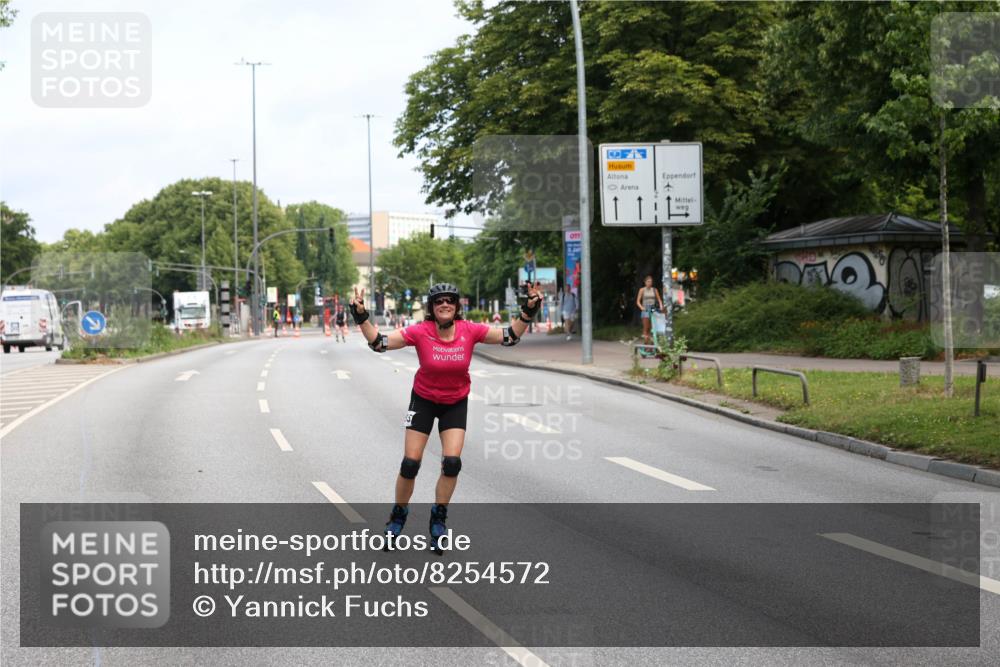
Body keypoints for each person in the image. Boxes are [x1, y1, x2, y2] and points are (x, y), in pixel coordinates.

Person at [349, 282, 541, 552]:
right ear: (432, 307)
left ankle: (438, 518)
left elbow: (509, 336)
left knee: (452, 463)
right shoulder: (420, 331)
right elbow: (379, 343)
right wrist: (361, 317)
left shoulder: (470, 330)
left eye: (449, 300)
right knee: (410, 463)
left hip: (454, 403)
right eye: (439, 301)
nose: (444, 305)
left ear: (456, 306)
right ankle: (398, 516)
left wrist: (528, 312)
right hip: (424, 400)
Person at [635, 275, 664, 346]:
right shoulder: (642, 290)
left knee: (653, 327)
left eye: (651, 282)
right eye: (648, 281)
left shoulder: (654, 290)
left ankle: (651, 341)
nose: (649, 283)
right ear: (645, 282)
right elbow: (638, 301)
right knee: (646, 327)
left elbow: (659, 299)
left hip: (653, 308)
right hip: (645, 308)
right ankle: (646, 342)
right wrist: (641, 307)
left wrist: (661, 306)